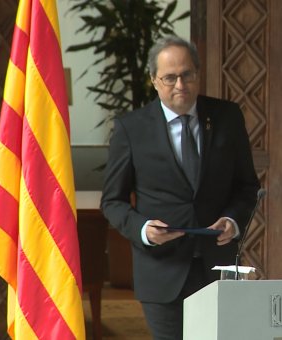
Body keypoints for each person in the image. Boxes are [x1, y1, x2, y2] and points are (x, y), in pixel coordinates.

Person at [100, 35, 260, 339]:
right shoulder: (131, 129)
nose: (180, 85)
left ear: (198, 75)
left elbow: (247, 186)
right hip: (162, 270)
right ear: (154, 80)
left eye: (187, 75)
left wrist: (233, 221)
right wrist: (144, 229)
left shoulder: (227, 117)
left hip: (218, 267)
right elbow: (113, 202)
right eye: (169, 77)